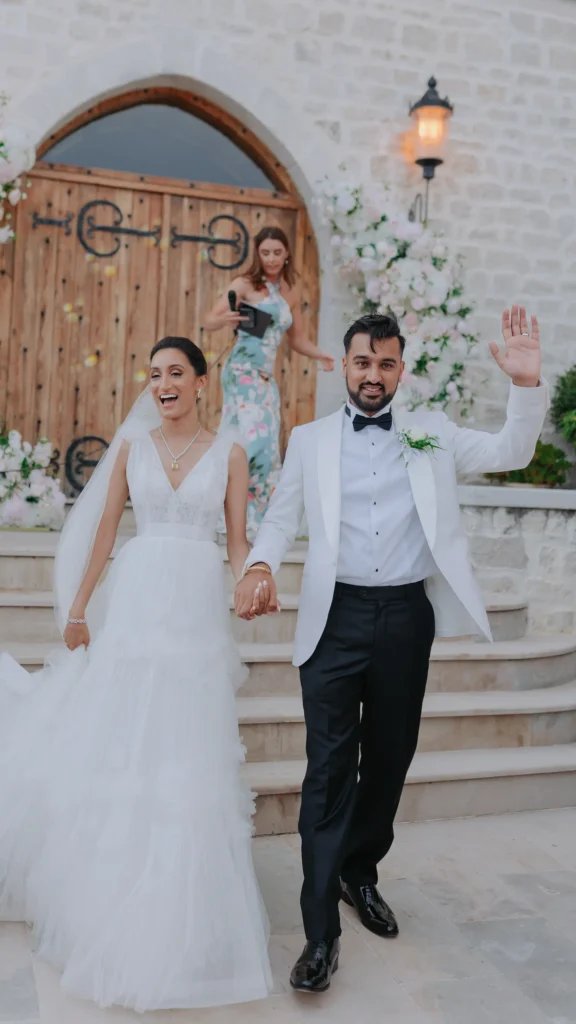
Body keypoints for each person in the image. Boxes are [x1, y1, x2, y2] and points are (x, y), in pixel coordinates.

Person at [234, 306, 548, 993]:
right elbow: (282, 515)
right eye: (361, 362)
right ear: (342, 365)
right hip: (335, 617)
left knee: (391, 758)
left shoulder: (431, 432)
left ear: (400, 370)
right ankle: (320, 934)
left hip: (406, 617)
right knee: (327, 770)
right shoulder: (309, 439)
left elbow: (510, 452)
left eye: (384, 364)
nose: (372, 375)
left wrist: (525, 387)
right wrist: (259, 565)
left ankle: (359, 870)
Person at [0, 337, 272, 1012]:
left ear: (202, 383)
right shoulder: (133, 449)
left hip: (195, 616)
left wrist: (251, 580)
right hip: (138, 604)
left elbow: (237, 540)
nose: (163, 383)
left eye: (176, 373)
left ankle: (180, 912)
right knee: (125, 744)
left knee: (186, 754)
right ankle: (110, 898)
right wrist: (80, 604)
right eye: (154, 375)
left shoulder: (231, 454)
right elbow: (104, 533)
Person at [205, 225, 334, 537]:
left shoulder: (290, 291)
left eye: (277, 252)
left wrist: (322, 356)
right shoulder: (245, 284)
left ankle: (255, 518)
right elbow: (208, 320)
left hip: (264, 377)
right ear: (258, 254)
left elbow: (297, 339)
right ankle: (226, 511)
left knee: (265, 448)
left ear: (287, 253)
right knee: (253, 441)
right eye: (266, 253)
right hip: (241, 371)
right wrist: (226, 319)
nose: (272, 258)